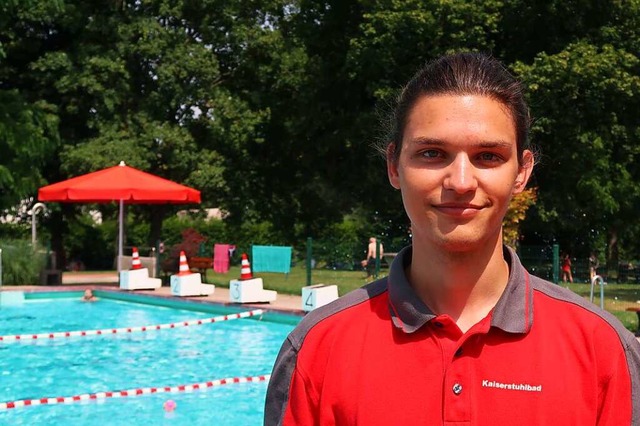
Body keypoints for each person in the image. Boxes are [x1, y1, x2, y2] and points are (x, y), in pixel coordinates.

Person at [265, 52, 640, 425]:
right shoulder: (317, 348)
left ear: (522, 172)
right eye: (432, 153)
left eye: (488, 156)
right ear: (394, 165)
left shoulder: (602, 350)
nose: (460, 182)